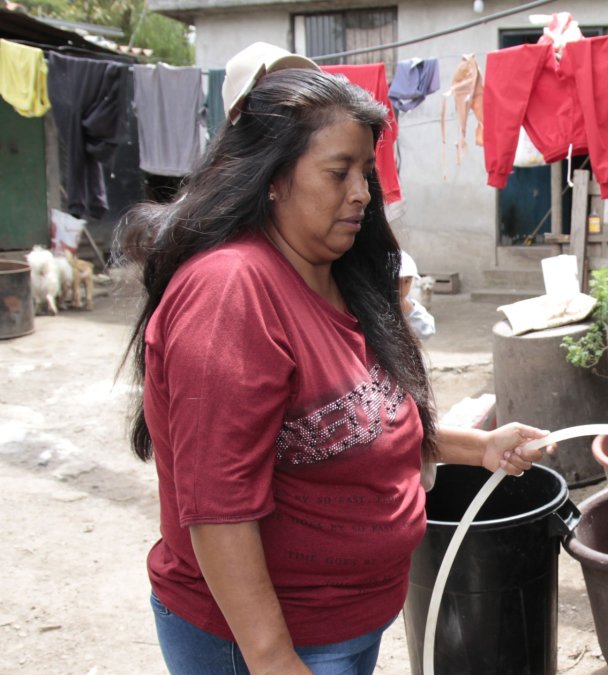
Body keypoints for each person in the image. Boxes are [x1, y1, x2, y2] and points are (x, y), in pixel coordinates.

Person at [117, 42, 552, 675]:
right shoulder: (232, 292)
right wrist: (271, 659)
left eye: (366, 175)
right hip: (268, 644)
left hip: (344, 626)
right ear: (273, 178)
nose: (362, 195)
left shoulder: (338, 277)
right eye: (338, 172)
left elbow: (350, 425)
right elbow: (218, 507)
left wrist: (475, 448)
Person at [399, 250, 435, 340]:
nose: (401, 286)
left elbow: (427, 331)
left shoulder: (410, 304)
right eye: (396, 281)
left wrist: (409, 311)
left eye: (407, 281)